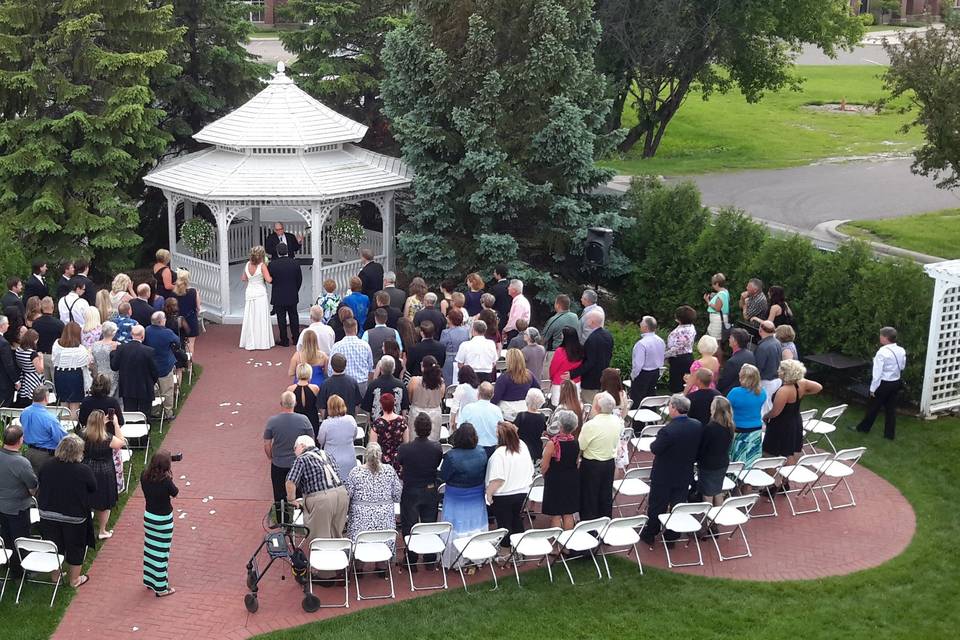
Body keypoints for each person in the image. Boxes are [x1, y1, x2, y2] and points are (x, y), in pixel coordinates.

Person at [639, 394, 703, 545]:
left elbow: (655, 448)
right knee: (677, 504)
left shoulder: (668, 430)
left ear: (674, 408)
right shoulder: (697, 425)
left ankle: (651, 532)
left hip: (664, 474)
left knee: (657, 504)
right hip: (684, 472)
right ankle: (673, 534)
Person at [36, 434, 96, 589]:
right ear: (78, 452)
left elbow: (40, 482)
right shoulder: (83, 470)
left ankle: (55, 576)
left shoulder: (47, 465)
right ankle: (74, 580)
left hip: (47, 513)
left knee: (54, 545)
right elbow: (93, 488)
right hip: (74, 516)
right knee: (76, 547)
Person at [438, 423, 488, 568]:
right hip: (476, 496)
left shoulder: (452, 456)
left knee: (456, 527)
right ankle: (475, 557)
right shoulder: (482, 452)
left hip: (456, 498)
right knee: (475, 524)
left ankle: (455, 559)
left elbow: (444, 476)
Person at [763, 360, 823, 481]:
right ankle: (786, 481)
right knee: (788, 451)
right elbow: (818, 387)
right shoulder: (802, 383)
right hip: (795, 421)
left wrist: (765, 416)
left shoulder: (784, 391)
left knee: (768, 454)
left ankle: (773, 484)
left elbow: (776, 412)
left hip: (781, 425)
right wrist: (805, 392)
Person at [397, 414, 443, 567]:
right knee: (429, 524)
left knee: (409, 525)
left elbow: (400, 463)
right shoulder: (436, 447)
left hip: (412, 490)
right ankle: (429, 559)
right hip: (429, 490)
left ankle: (411, 559)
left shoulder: (405, 448)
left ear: (415, 429)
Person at [343, 443, 402, 558]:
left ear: (365, 456)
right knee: (383, 541)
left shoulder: (355, 472)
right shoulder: (389, 470)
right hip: (384, 518)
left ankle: (359, 569)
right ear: (380, 455)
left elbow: (348, 495)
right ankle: (382, 568)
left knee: (359, 541)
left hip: (360, 520)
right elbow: (397, 496)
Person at [286, 435, 349, 542]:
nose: (294, 452)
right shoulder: (327, 454)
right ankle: (338, 556)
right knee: (336, 534)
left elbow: (290, 481)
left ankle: (323, 558)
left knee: (320, 538)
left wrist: (291, 500)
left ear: (302, 445)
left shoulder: (302, 459)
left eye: (294, 448)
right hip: (342, 494)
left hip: (322, 499)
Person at [263, 391, 315, 520]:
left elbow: (267, 444)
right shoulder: (304, 420)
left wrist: (271, 457)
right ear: (295, 403)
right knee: (299, 494)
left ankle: (283, 520)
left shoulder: (272, 421)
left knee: (279, 494)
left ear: (281, 403)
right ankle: (300, 519)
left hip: (278, 464)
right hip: (299, 464)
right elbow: (310, 441)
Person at [485, 422, 533, 552]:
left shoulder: (499, 454)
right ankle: (520, 549)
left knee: (504, 524)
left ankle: (505, 553)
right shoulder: (522, 446)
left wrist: (488, 494)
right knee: (516, 519)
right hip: (522, 491)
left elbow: (497, 479)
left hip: (503, 495)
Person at [855, 326, 906, 440]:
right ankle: (889, 435)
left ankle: (863, 428)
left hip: (883, 383)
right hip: (895, 382)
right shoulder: (901, 350)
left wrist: (873, 389)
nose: (879, 337)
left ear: (886, 338)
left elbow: (877, 374)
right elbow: (902, 366)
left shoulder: (882, 352)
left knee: (873, 407)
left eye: (881, 335)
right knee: (891, 410)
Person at [0, 424, 38, 577]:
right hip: (18, 508)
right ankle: (19, 571)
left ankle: (6, 563)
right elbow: (32, 486)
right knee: (20, 539)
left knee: (4, 536)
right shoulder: (21, 463)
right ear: (20, 440)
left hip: (2, 506)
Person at [80, 409, 125, 539]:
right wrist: (115, 424)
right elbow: (121, 442)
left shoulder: (82, 434)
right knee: (104, 502)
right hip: (104, 470)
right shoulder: (107, 438)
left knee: (86, 497)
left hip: (87, 467)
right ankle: (102, 530)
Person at [578, 392, 621, 520]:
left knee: (589, 497)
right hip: (609, 463)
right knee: (606, 495)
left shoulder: (591, 425)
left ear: (597, 407)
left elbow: (581, 446)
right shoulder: (616, 421)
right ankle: (604, 523)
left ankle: (589, 526)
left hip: (592, 464)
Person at [141, 450, 179, 596]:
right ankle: (161, 587)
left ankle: (149, 580)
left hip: (149, 517)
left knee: (150, 550)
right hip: (163, 521)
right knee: (162, 553)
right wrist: (169, 476)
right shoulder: (166, 482)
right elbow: (175, 492)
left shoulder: (144, 476)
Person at [540, 409, 580, 530]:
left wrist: (544, 475)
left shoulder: (552, 444)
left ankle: (556, 541)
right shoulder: (576, 442)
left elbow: (544, 465)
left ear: (560, 425)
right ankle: (567, 542)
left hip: (555, 479)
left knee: (556, 514)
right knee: (568, 513)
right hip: (571, 478)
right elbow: (577, 462)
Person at [111, 325, 158, 416]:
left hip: (127, 387)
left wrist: (113, 353)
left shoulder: (121, 349)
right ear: (142, 336)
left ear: (132, 334)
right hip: (145, 387)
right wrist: (152, 382)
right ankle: (145, 427)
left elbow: (114, 366)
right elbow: (154, 371)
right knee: (145, 413)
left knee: (130, 413)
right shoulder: (149, 351)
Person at [698, 396, 735, 506]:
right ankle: (718, 514)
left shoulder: (710, 428)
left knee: (707, 493)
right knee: (718, 491)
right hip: (722, 462)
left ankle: (709, 517)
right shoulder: (730, 425)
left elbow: (703, 447)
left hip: (709, 464)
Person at [568, 312, 613, 405]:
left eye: (587, 319)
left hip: (591, 381)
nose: (586, 321)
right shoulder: (608, 335)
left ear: (592, 321)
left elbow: (590, 362)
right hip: (603, 378)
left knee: (589, 406)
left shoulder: (592, 339)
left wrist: (572, 373)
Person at [21, 387, 68, 473]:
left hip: (29, 452)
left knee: (31, 482)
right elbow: (62, 439)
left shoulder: (24, 412)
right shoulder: (50, 418)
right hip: (45, 456)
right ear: (46, 398)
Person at [727, 364, 767, 467]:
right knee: (751, 459)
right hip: (756, 429)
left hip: (739, 430)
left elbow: (726, 409)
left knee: (737, 460)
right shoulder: (762, 392)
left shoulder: (735, 393)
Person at [144, 311, 180, 420]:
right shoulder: (167, 333)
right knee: (167, 390)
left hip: (150, 367)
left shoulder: (146, 330)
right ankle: (168, 413)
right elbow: (177, 342)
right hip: (164, 366)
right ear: (161, 321)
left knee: (154, 391)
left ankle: (155, 411)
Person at [52, 322, 91, 419]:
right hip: (75, 375)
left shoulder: (56, 345)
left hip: (60, 374)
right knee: (75, 405)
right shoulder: (81, 349)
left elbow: (54, 359)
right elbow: (86, 362)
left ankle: (64, 428)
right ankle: (73, 427)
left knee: (63, 404)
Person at [240, 246, 273, 350]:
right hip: (260, 293)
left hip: (250, 292)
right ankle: (262, 342)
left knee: (250, 317)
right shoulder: (262, 266)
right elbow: (269, 280)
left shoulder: (247, 264)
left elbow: (243, 278)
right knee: (260, 316)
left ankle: (250, 341)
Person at [329, 318, 373, 397]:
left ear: (344, 329)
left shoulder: (336, 346)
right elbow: (370, 369)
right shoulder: (365, 346)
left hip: (341, 385)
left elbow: (330, 370)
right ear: (356, 329)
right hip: (361, 384)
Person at [492, 348, 539, 421]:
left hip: (507, 413)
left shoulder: (503, 378)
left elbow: (496, 398)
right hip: (524, 410)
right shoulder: (529, 375)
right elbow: (537, 390)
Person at [316, 395, 358, 476]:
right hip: (349, 460)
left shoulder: (326, 424)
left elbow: (320, 440)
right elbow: (354, 436)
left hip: (331, 462)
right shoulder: (351, 419)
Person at [458, 382, 503, 457]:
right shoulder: (497, 410)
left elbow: (460, 427)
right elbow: (501, 430)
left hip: (474, 448)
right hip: (492, 448)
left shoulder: (468, 408)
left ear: (478, 394)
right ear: (492, 395)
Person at [630, 315, 665, 406]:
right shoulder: (660, 341)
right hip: (655, 372)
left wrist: (633, 375)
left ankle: (637, 419)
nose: (640, 324)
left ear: (645, 327)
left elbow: (638, 364)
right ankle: (651, 418)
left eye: (641, 323)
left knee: (637, 399)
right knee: (650, 397)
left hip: (643, 374)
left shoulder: (641, 344)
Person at [408, 355, 445, 441]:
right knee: (433, 442)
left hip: (417, 412)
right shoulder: (441, 382)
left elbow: (410, 397)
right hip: (435, 414)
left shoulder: (414, 381)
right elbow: (441, 397)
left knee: (414, 441)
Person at [368, 392, 408, 470]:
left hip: (381, 463)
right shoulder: (402, 421)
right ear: (394, 404)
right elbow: (406, 444)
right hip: (398, 461)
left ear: (381, 406)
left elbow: (372, 448)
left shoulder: (377, 424)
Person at [363, 355, 408, 421]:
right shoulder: (401, 385)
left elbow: (367, 408)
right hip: (396, 425)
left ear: (380, 369)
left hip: (377, 425)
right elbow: (404, 408)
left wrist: (370, 423)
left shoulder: (373, 385)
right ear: (393, 369)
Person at [665, 306, 697, 394]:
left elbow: (676, 348)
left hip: (679, 360)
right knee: (687, 383)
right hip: (688, 357)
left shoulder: (680, 331)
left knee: (678, 386)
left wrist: (664, 355)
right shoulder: (691, 327)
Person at [318, 354, 362, 418]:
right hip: (348, 421)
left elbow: (322, 407)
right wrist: (353, 418)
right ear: (345, 365)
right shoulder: (353, 382)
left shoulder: (325, 384)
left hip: (331, 421)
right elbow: (357, 404)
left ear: (331, 365)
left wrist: (325, 419)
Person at [454, 319, 498, 384]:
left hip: (469, 377)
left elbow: (460, 364)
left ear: (473, 331)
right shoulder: (491, 344)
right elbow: (494, 363)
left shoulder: (465, 345)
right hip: (486, 376)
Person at [549, 326, 583, 406]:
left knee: (558, 407)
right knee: (574, 404)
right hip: (575, 381)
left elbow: (553, 367)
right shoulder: (580, 349)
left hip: (559, 381)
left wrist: (551, 377)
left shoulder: (560, 351)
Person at [755, 320, 783, 416]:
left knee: (762, 408)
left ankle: (763, 428)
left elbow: (758, 367)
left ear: (761, 330)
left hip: (766, 382)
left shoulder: (763, 347)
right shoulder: (777, 342)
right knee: (768, 404)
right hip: (776, 379)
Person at [716, 328, 756, 395]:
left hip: (731, 394)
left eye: (731, 338)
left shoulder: (732, 362)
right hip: (746, 390)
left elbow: (724, 383)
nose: (729, 339)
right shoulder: (750, 354)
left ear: (735, 342)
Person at [34, 297, 64, 380]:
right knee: (56, 384)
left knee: (44, 385)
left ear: (41, 308)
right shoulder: (59, 324)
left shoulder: (36, 323)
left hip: (40, 357)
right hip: (54, 357)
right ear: (53, 307)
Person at [514, 388, 547, 461]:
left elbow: (513, 432)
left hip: (522, 449)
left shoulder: (521, 415)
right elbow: (544, 431)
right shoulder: (542, 417)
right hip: (537, 450)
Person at [288, 363, 321, 436]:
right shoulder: (315, 388)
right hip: (312, 419)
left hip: (296, 419)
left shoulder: (290, 389)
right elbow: (319, 404)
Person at [440, 308, 470, 385]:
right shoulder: (466, 331)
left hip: (449, 360)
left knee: (449, 382)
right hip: (463, 359)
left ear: (451, 319)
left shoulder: (446, 332)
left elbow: (442, 346)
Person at [14, 329, 44, 407]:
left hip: (24, 377)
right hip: (33, 379)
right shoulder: (32, 354)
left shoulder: (18, 350)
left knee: (23, 400)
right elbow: (40, 370)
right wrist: (41, 358)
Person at [703, 273, 730, 341]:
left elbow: (717, 308)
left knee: (715, 344)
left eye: (713, 284)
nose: (712, 286)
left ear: (717, 284)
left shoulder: (721, 294)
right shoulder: (725, 291)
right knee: (712, 340)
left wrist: (708, 301)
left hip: (717, 320)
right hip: (718, 319)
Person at [503, 279, 530, 345]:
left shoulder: (519, 303)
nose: (508, 288)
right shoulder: (520, 301)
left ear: (514, 290)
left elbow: (515, 321)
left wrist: (505, 329)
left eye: (510, 286)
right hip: (517, 331)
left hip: (515, 332)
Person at [489, 265, 511, 332]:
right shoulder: (511, 285)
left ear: (499, 275)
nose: (494, 274)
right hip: (510, 315)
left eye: (495, 272)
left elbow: (491, 303)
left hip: (498, 316)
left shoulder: (495, 288)